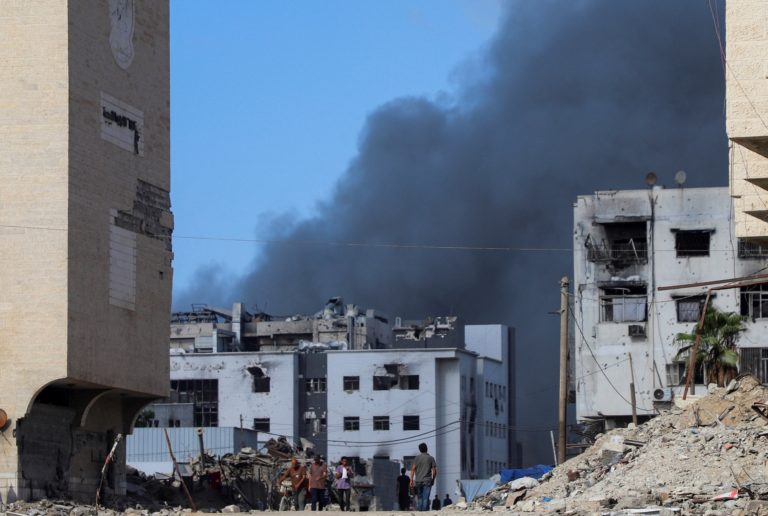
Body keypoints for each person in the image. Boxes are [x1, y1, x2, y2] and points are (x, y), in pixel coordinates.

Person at [410, 443, 437, 512]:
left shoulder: (417, 458)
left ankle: (420, 512)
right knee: (426, 498)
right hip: (427, 481)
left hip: (418, 481)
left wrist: (411, 480)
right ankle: (424, 513)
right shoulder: (431, 458)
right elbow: (434, 471)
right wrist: (433, 479)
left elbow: (413, 469)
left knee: (419, 497)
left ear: (420, 450)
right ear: (427, 448)